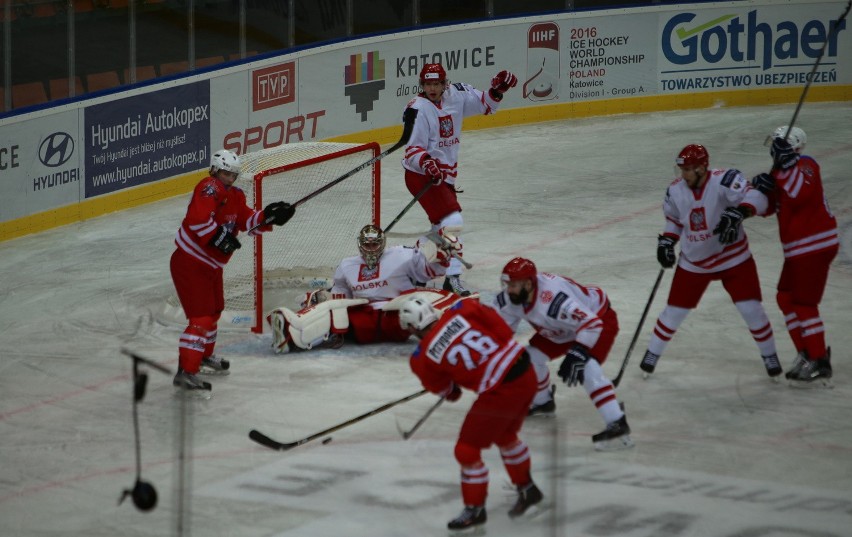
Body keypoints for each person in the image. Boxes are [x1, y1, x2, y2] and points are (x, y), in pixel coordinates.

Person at [399, 295, 543, 532]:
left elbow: (450, 394)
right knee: (505, 435)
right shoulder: (462, 308)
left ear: (412, 327)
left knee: (466, 450)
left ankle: (474, 510)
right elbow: (499, 326)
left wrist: (455, 382)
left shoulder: (421, 359)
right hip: (525, 372)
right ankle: (528, 489)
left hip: (501, 391)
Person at [639, 144, 782, 379]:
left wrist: (742, 212)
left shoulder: (725, 180)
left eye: (688, 169)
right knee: (673, 312)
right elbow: (675, 220)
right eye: (681, 169)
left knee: (752, 310)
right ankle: (652, 354)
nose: (683, 175)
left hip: (734, 258)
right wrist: (667, 241)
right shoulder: (675, 190)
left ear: (702, 168)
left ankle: (769, 355)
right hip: (694, 262)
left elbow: (758, 201)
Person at [170, 149, 295, 394]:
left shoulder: (235, 195)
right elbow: (197, 220)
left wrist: (269, 216)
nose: (230, 178)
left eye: (233, 174)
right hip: (190, 263)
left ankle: (203, 357)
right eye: (226, 173)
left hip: (211, 266)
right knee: (201, 318)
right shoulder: (209, 187)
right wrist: (219, 238)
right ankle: (186, 371)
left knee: (214, 312)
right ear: (215, 170)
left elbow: (246, 220)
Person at [493, 257, 634, 451]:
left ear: (528, 284)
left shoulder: (555, 300)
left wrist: (579, 351)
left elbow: (591, 324)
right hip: (559, 328)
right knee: (529, 359)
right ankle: (543, 403)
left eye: (514, 285)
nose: (509, 290)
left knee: (585, 367)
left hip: (597, 320)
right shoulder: (511, 298)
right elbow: (501, 333)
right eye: (507, 284)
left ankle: (618, 424)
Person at [401, 62, 517, 296]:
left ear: (445, 83)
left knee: (439, 230)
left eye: (436, 83)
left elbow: (486, 105)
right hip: (421, 175)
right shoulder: (417, 108)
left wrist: (497, 91)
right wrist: (427, 162)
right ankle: (452, 279)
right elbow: (412, 151)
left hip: (444, 177)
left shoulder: (458, 94)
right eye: (427, 84)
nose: (432, 88)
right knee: (453, 221)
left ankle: (412, 266)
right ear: (421, 85)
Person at [267, 224, 466, 352]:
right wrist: (321, 299)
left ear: (383, 243)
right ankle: (290, 334)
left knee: (423, 304)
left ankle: (450, 338)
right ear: (360, 245)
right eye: (367, 245)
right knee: (329, 308)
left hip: (399, 316)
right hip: (365, 322)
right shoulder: (346, 265)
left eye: (375, 244)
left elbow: (429, 273)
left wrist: (443, 256)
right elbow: (340, 298)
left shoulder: (401, 255)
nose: (371, 249)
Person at [750, 126, 838, 386]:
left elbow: (800, 193)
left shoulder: (806, 165)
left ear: (792, 147)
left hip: (814, 244)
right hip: (798, 248)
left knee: (803, 303)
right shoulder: (781, 172)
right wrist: (761, 190)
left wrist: (786, 167)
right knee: (784, 297)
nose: (772, 149)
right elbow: (770, 208)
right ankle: (806, 351)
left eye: (778, 144)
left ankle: (819, 360)